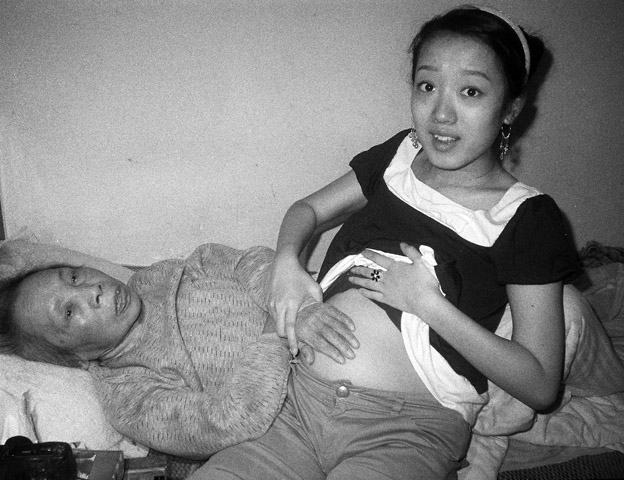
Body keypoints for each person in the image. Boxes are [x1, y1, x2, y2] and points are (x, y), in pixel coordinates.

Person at [192, 5, 582, 480]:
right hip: (295, 407)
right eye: (427, 85)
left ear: (512, 108)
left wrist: (427, 304)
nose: (441, 114)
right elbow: (307, 210)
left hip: (406, 430)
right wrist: (287, 266)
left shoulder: (526, 217)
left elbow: (540, 384)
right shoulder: (400, 154)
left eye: (471, 91)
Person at [0, 242, 359, 459]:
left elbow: (243, 261)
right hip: (320, 409)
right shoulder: (129, 398)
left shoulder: (157, 277)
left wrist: (295, 304)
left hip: (331, 314)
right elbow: (229, 420)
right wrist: (281, 325)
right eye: (68, 312)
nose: (91, 291)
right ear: (74, 358)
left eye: (73, 276)